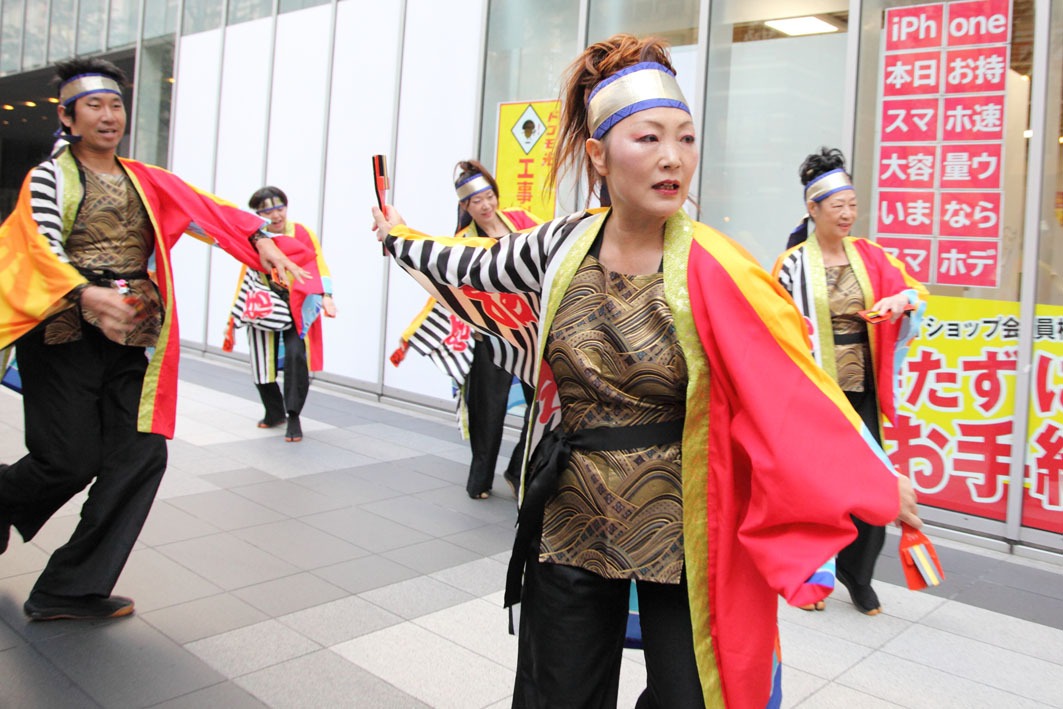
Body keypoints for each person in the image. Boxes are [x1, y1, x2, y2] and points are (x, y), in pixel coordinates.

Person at [373, 35, 922, 708]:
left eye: (686, 138)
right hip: (570, 513)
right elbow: (470, 266)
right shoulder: (558, 245)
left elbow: (791, 387)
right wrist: (396, 236)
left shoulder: (718, 268)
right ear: (599, 155)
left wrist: (870, 473)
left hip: (682, 523)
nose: (672, 157)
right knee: (559, 693)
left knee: (693, 697)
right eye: (648, 138)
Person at [0, 58, 309, 621]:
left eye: (116, 104)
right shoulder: (49, 176)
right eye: (93, 105)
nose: (108, 115)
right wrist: (85, 295)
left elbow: (205, 209)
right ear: (68, 119)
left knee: (142, 452)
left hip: (133, 332)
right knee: (67, 460)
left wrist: (259, 240)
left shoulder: (145, 178)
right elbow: (37, 247)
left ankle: (68, 588)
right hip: (63, 329)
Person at [773, 148, 928, 616]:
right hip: (816, 394)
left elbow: (916, 292)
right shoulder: (791, 265)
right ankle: (809, 573)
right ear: (812, 209)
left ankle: (857, 574)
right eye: (837, 205)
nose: (847, 214)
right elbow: (773, 325)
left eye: (852, 205)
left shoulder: (872, 256)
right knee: (814, 485)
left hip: (863, 388)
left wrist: (900, 303)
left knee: (874, 480)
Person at [394, 161, 540, 499]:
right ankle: (480, 480)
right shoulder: (462, 242)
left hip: (530, 333)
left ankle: (519, 468)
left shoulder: (522, 220)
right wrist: (411, 334)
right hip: (489, 334)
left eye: (490, 196)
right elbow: (443, 294)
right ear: (466, 207)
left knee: (541, 406)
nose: (487, 205)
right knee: (487, 410)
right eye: (478, 201)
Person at [223, 187, 336, 443]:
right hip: (265, 306)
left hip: (297, 303)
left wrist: (326, 295)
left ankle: (293, 415)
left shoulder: (301, 232)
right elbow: (246, 277)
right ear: (258, 213)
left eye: (279, 208)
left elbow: (318, 264)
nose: (275, 215)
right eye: (267, 210)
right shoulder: (254, 237)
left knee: (297, 358)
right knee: (262, 365)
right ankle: (274, 412)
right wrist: (233, 317)